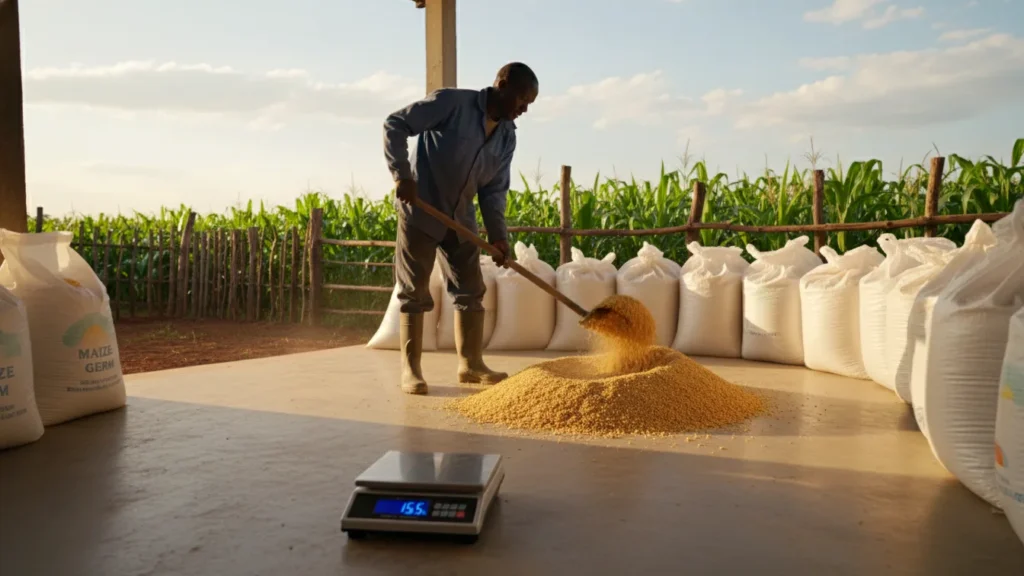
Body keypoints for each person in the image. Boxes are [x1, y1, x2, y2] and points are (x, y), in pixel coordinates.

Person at [382, 62, 539, 395]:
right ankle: (411, 371)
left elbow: (494, 190)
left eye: (529, 105)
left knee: (470, 290)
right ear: (503, 83)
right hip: (421, 211)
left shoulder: (507, 137)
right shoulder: (451, 104)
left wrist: (498, 237)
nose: (524, 110)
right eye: (522, 100)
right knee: (414, 292)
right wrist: (402, 176)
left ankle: (471, 365)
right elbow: (395, 123)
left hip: (461, 220)